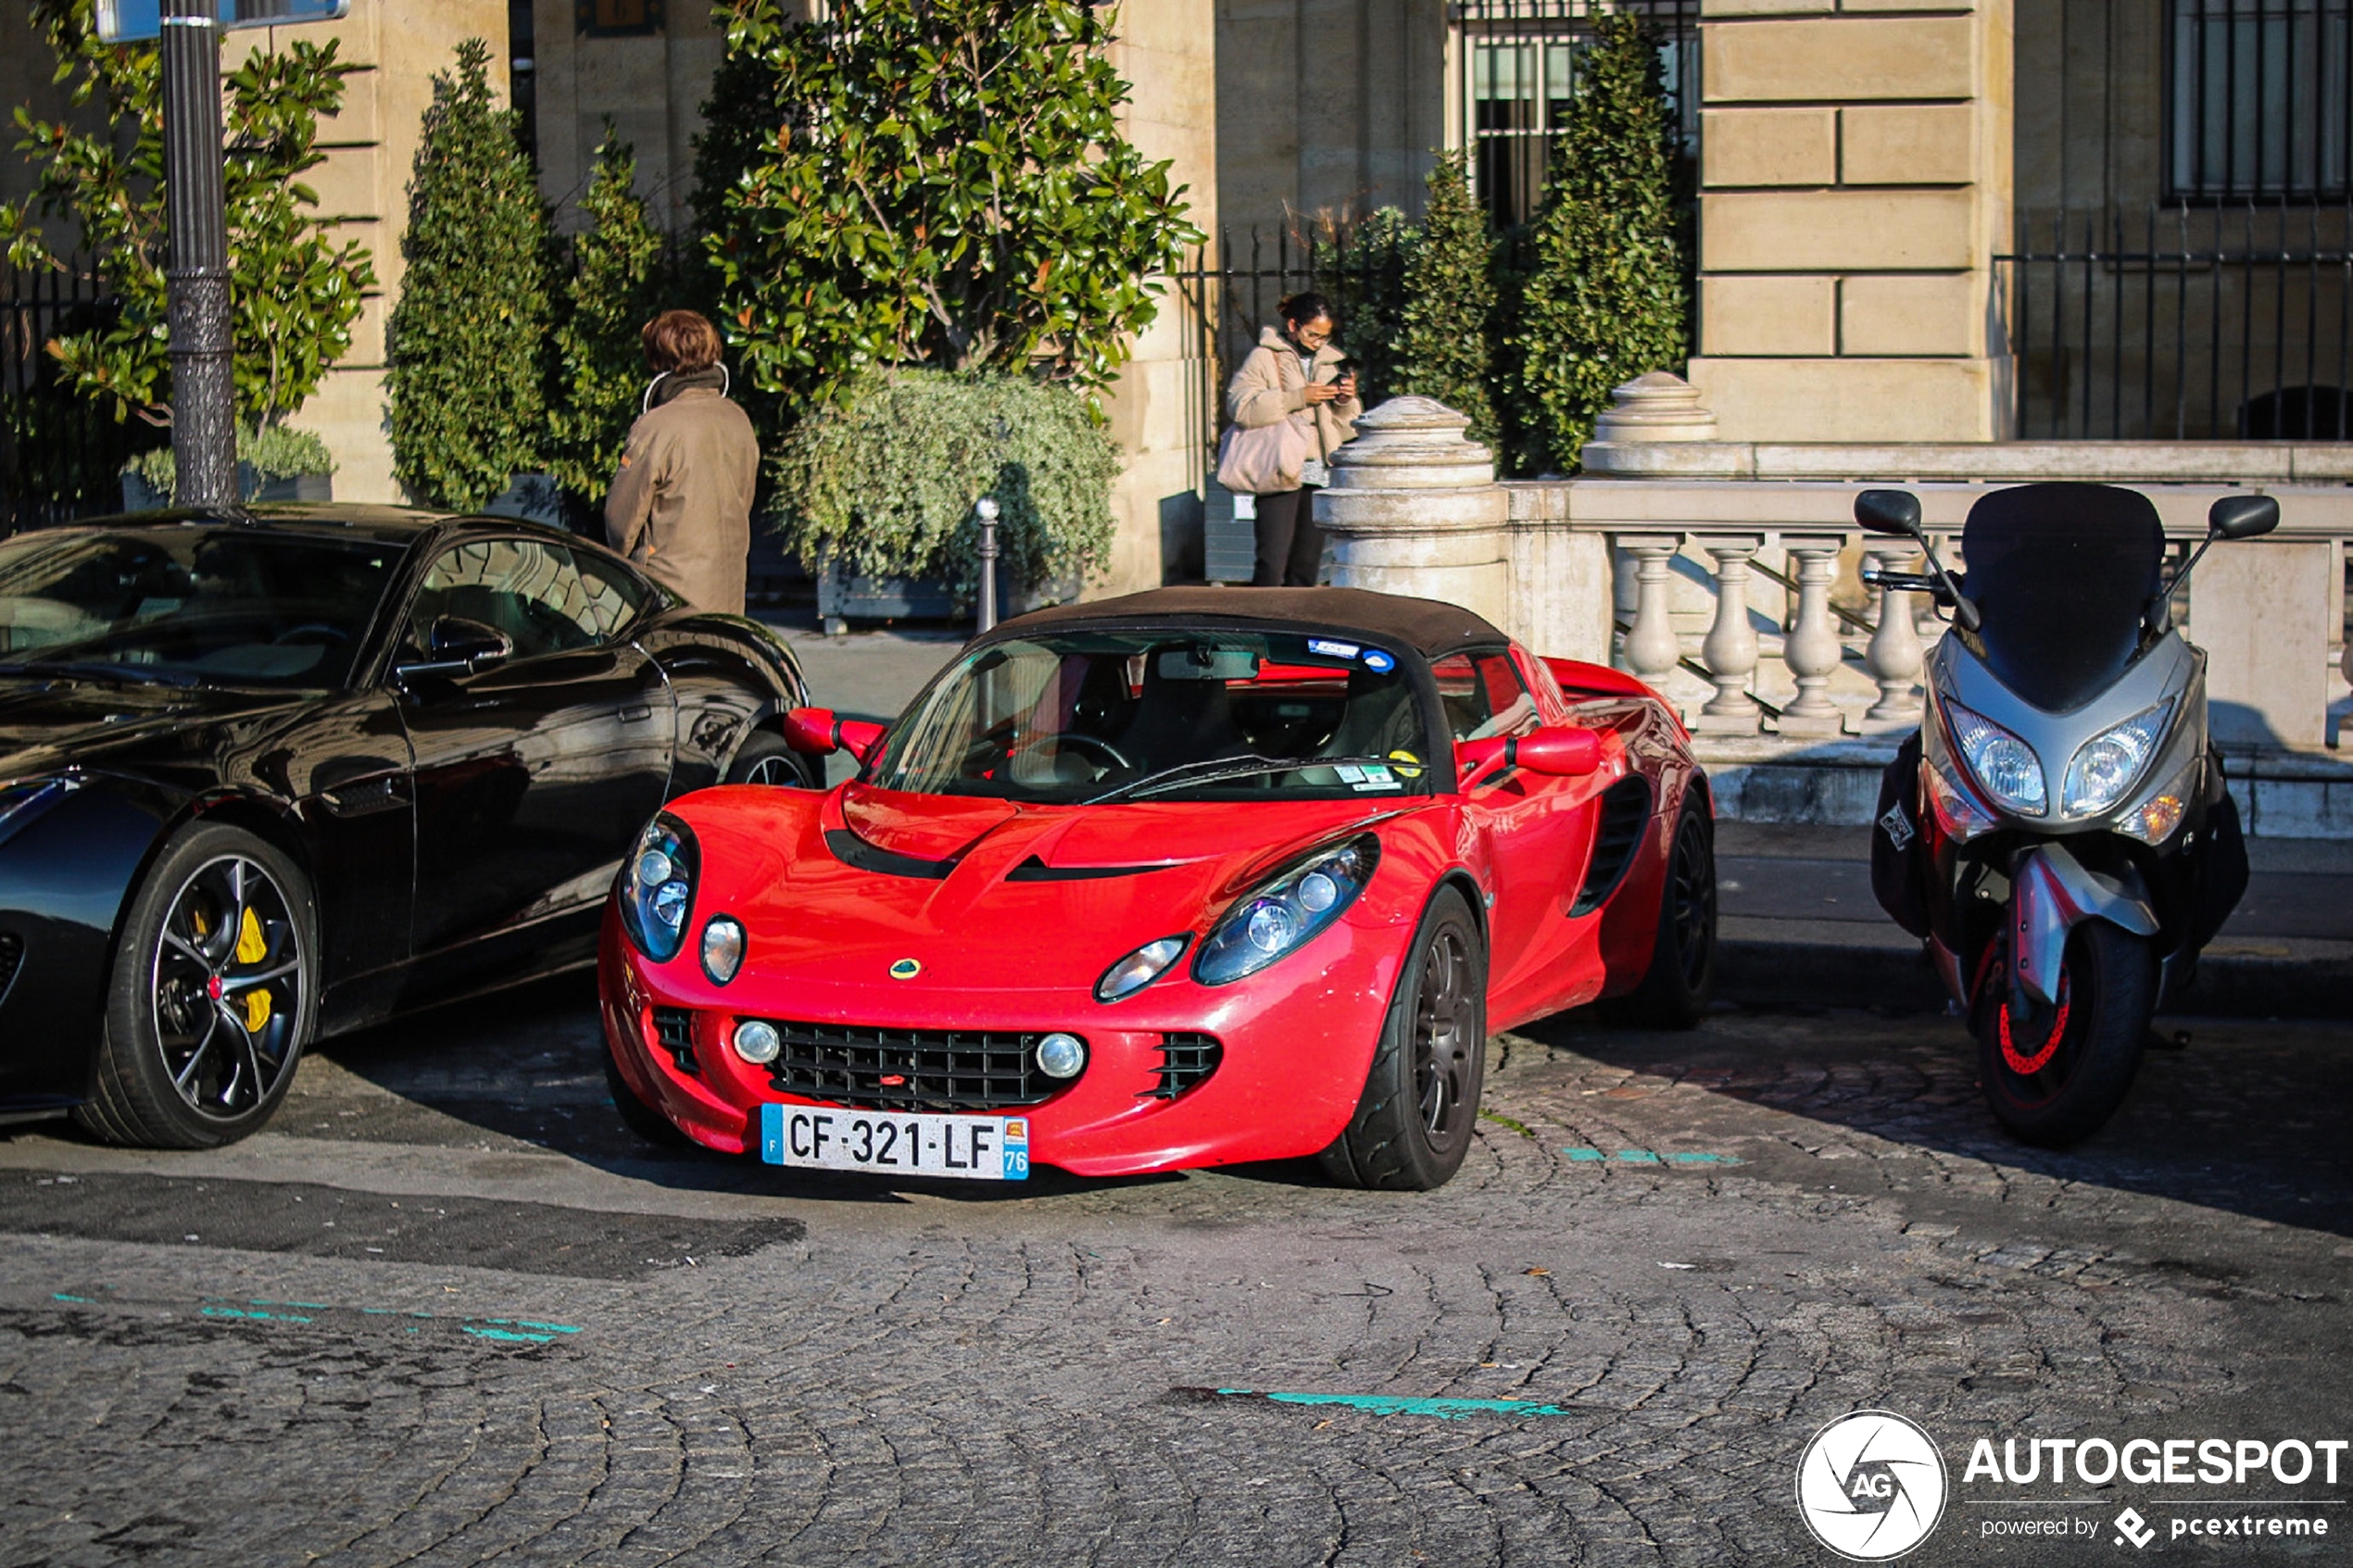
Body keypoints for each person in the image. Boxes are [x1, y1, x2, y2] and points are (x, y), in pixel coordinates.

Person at [605, 309, 760, 615]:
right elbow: (746, 499)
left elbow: (621, 522)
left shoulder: (657, 426)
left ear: (658, 359)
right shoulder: (737, 417)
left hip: (671, 591)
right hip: (730, 585)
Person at [1224, 292, 1362, 586]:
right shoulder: (1265, 356)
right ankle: (1262, 625)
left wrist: (1345, 400)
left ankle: (1295, 630)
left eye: (1324, 336)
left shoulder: (1330, 361)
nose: (1318, 342)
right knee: (1272, 565)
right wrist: (1298, 398)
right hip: (1279, 469)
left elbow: (1347, 427)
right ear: (1292, 325)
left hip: (1319, 475)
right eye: (1312, 334)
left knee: (1306, 569)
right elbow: (1240, 406)